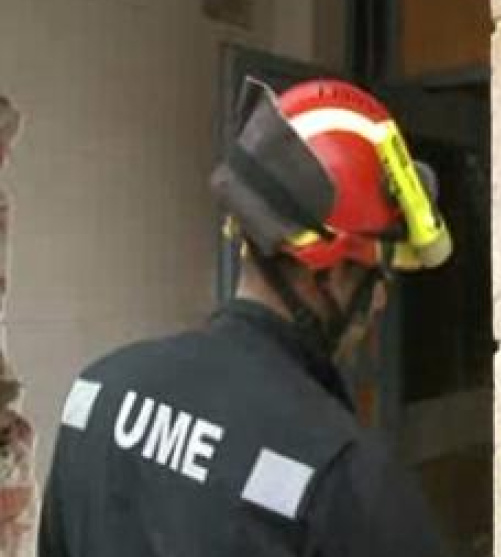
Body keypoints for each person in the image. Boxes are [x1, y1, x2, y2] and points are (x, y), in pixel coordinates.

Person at [38, 77, 455, 556]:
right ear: (329, 269)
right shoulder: (344, 479)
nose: (379, 301)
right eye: (377, 276)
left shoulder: (97, 394)